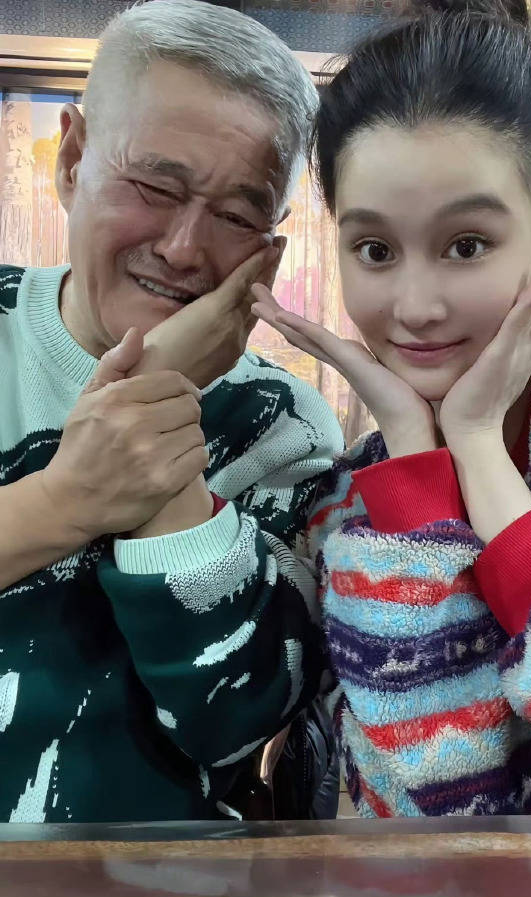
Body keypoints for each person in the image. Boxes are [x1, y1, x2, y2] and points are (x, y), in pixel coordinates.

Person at [252, 0, 531, 816]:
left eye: (466, 245)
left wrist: (480, 447)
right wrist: (415, 472)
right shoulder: (351, 503)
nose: (415, 307)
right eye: (375, 250)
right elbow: (428, 818)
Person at [0, 0, 343, 823]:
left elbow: (233, 722)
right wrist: (67, 500)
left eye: (237, 215)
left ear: (270, 246)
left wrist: (159, 399)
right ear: (73, 159)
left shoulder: (285, 426)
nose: (185, 248)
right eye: (154, 187)